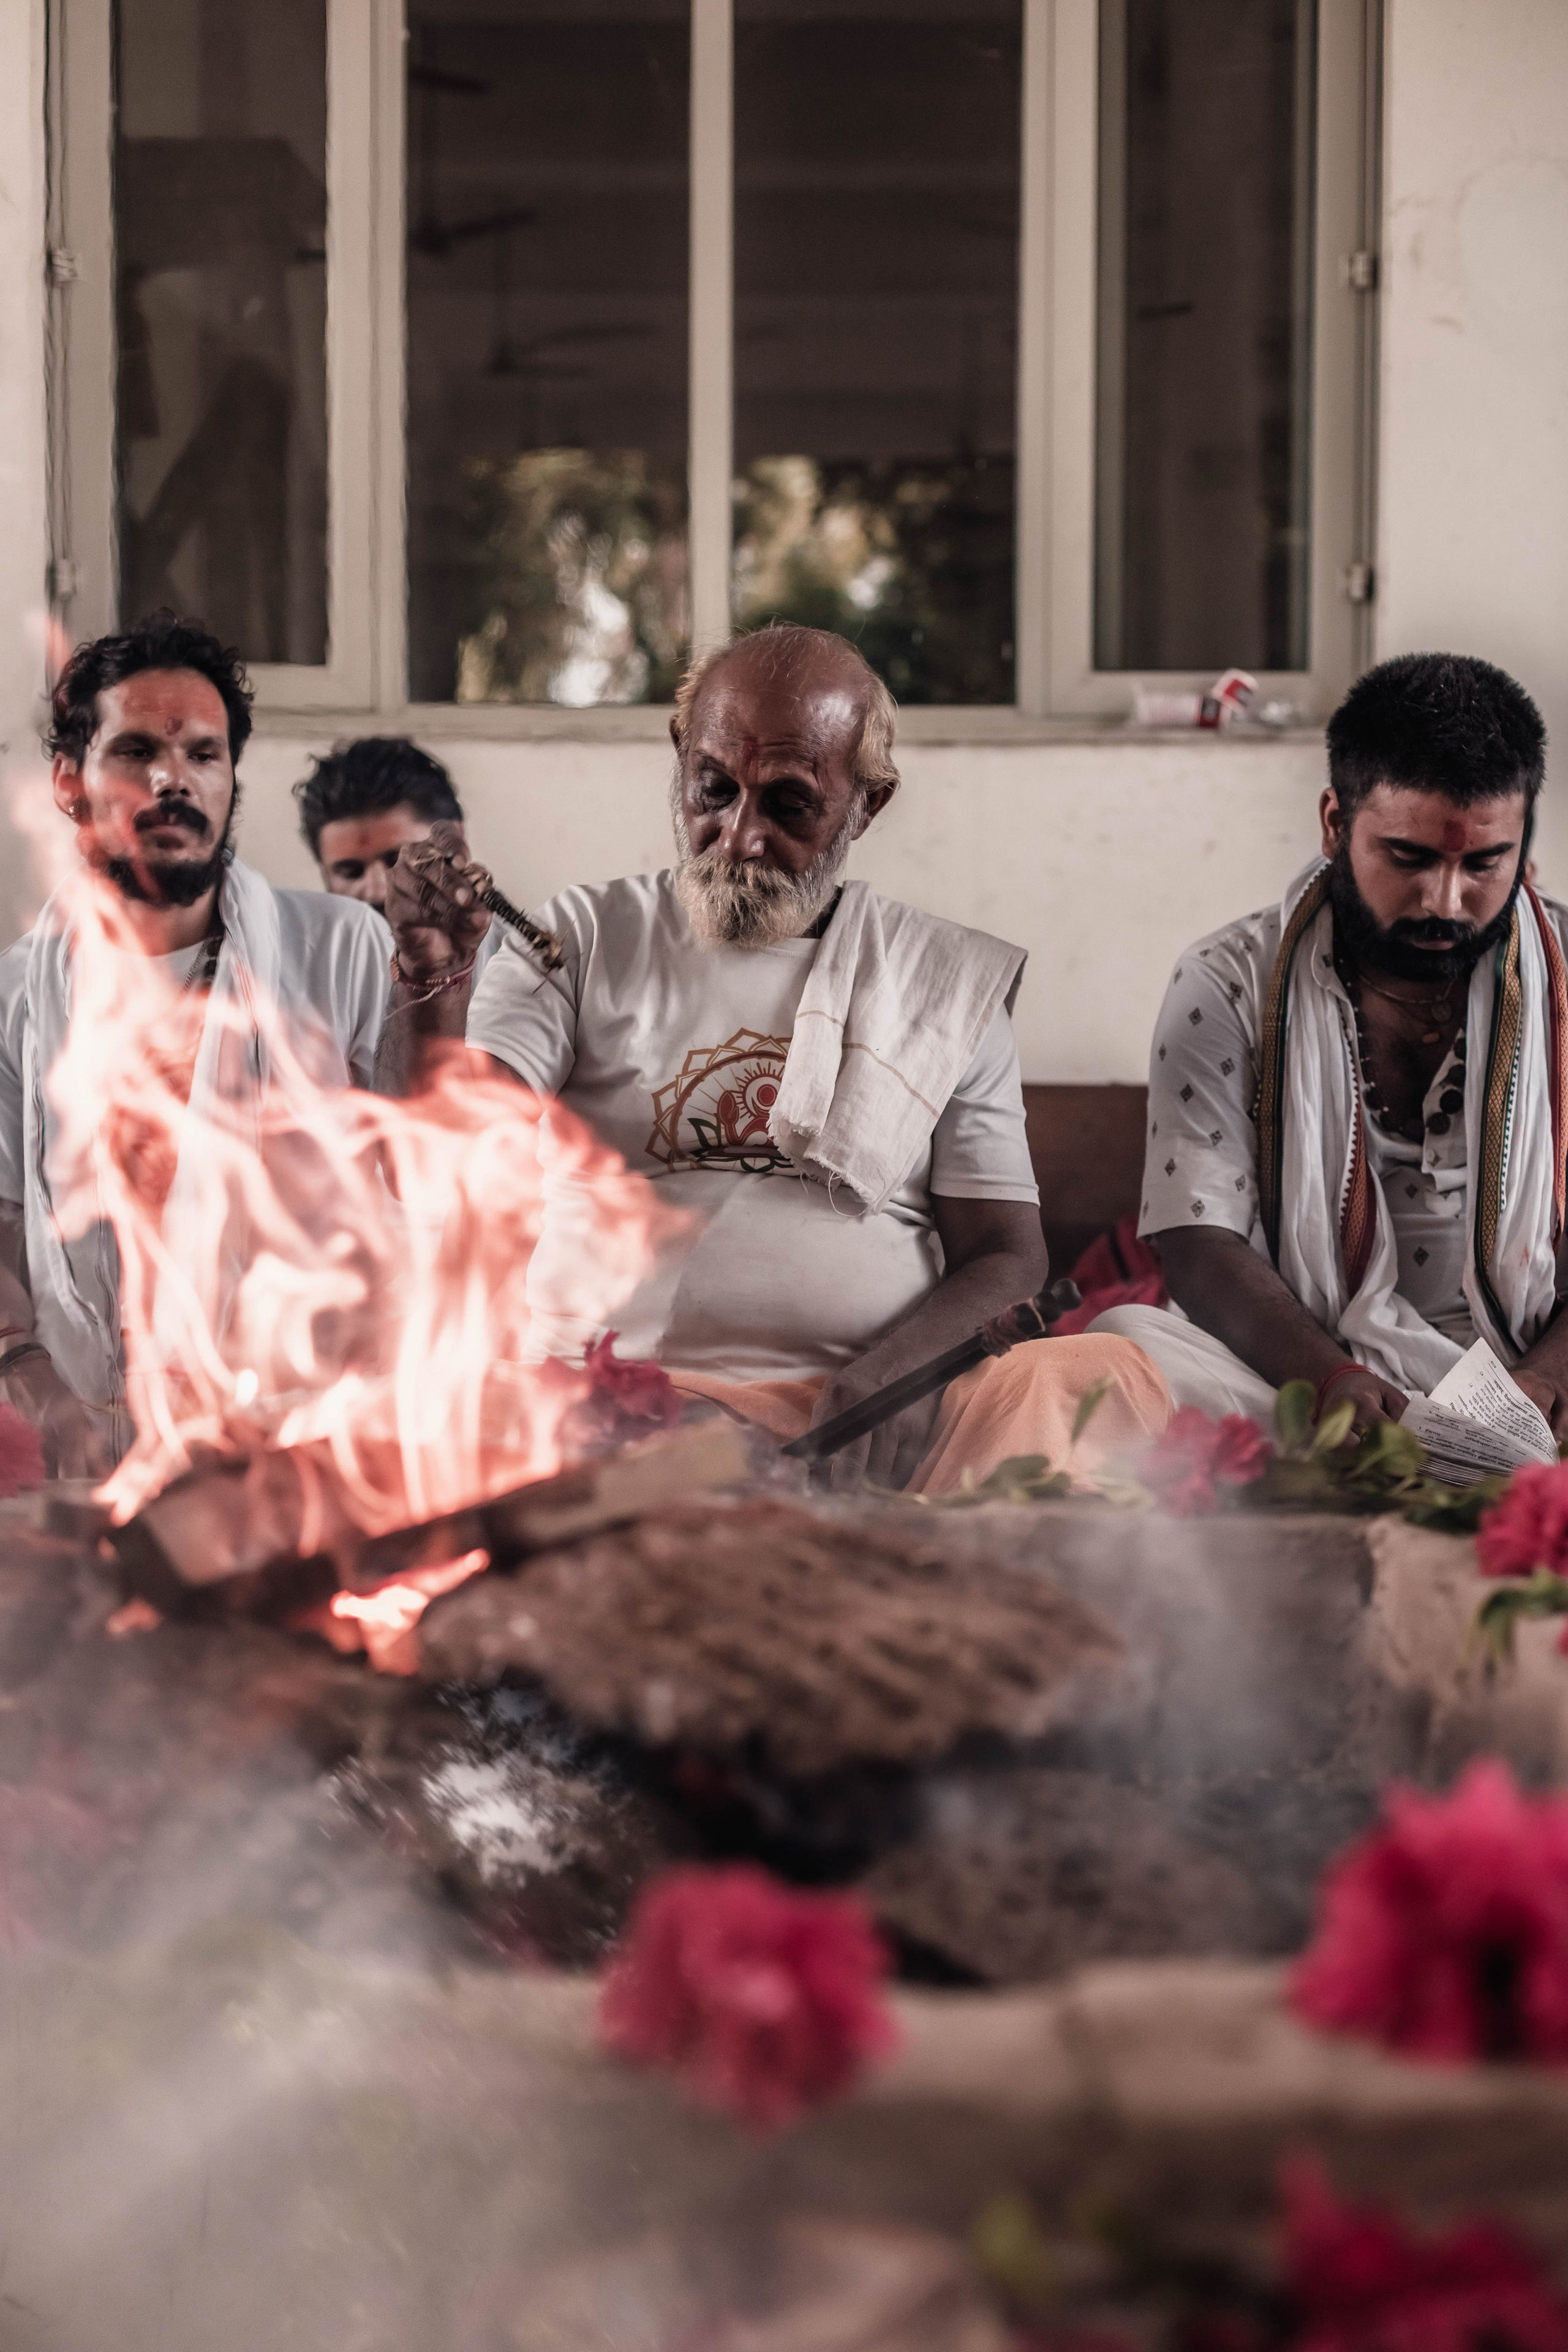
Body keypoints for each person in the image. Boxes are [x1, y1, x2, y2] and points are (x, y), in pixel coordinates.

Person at [375, 622, 1169, 1491]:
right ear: (681, 754)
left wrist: (894, 1379)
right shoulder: (582, 937)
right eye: (714, 789)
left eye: (789, 805)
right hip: (603, 1408)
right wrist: (433, 979)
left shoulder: (941, 985)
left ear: (868, 803)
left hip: (859, 1424)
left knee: (1099, 1377)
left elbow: (1004, 1255)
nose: (739, 837)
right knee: (421, 1397)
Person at [1093, 651, 1568, 1436]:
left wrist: (1547, 1381)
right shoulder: (1228, 980)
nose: (1444, 901)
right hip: (1300, 1371)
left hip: (1537, 1377)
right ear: (1334, 824)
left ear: (1525, 845)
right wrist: (1330, 1378)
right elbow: (1197, 1237)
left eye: (1484, 863)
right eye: (1408, 857)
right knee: (1121, 1346)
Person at [0, 611, 390, 1471]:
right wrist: (25, 1371)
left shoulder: (342, 952)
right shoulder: (14, 995)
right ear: (69, 782)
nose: (173, 778)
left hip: (300, 1444)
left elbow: (429, 1183)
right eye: (136, 751)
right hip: (89, 1443)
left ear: (230, 780)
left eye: (204, 754)